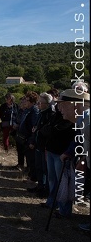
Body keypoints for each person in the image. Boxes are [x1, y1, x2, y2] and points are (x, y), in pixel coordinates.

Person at [50, 88, 89, 220]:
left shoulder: (87, 120)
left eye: (62, 105)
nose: (59, 109)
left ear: (75, 104)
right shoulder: (81, 121)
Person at [26, 92, 55, 197]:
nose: (38, 104)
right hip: (38, 145)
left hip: (45, 146)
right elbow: (35, 129)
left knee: (45, 170)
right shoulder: (41, 113)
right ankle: (40, 187)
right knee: (39, 167)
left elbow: (47, 131)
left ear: (47, 103)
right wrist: (33, 140)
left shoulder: (50, 114)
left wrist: (38, 130)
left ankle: (46, 190)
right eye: (38, 102)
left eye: (40, 103)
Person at [15, 91, 39, 182]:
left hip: (29, 138)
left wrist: (32, 141)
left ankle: (33, 178)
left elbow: (34, 127)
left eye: (27, 100)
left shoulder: (34, 111)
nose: (25, 102)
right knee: (29, 158)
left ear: (32, 102)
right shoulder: (27, 110)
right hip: (24, 138)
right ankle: (30, 176)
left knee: (32, 160)